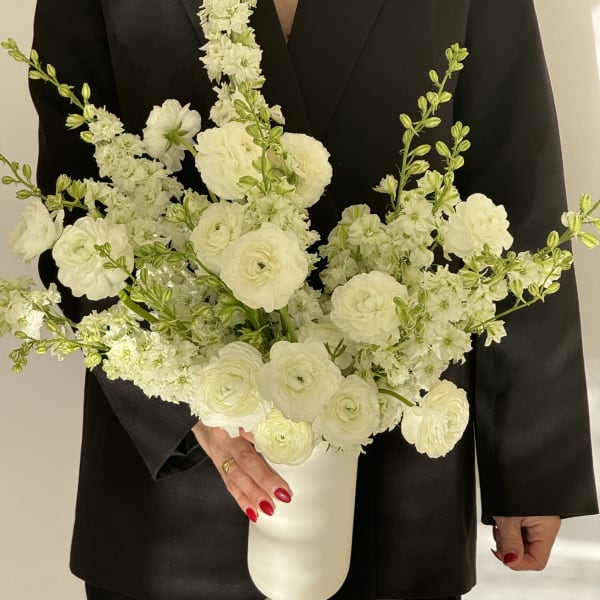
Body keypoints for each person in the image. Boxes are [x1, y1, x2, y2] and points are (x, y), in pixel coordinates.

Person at [28, 0, 598, 599]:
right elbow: (72, 210)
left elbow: (515, 190)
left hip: (392, 472)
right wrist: (191, 412)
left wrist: (529, 463)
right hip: (176, 485)